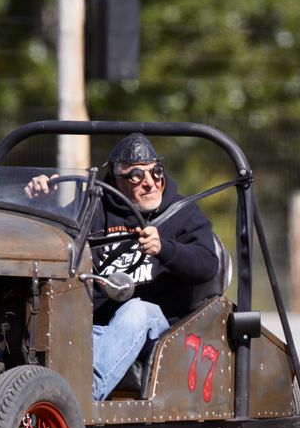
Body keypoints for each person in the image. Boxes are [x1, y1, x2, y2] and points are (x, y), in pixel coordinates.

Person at [25, 133, 219, 400]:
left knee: (137, 310)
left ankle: (84, 397)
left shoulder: (183, 212)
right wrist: (42, 201)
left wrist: (165, 248)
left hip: (160, 333)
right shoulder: (93, 208)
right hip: (96, 326)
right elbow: (56, 246)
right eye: (136, 176)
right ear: (116, 180)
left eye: (156, 172)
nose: (150, 183)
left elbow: (208, 265)